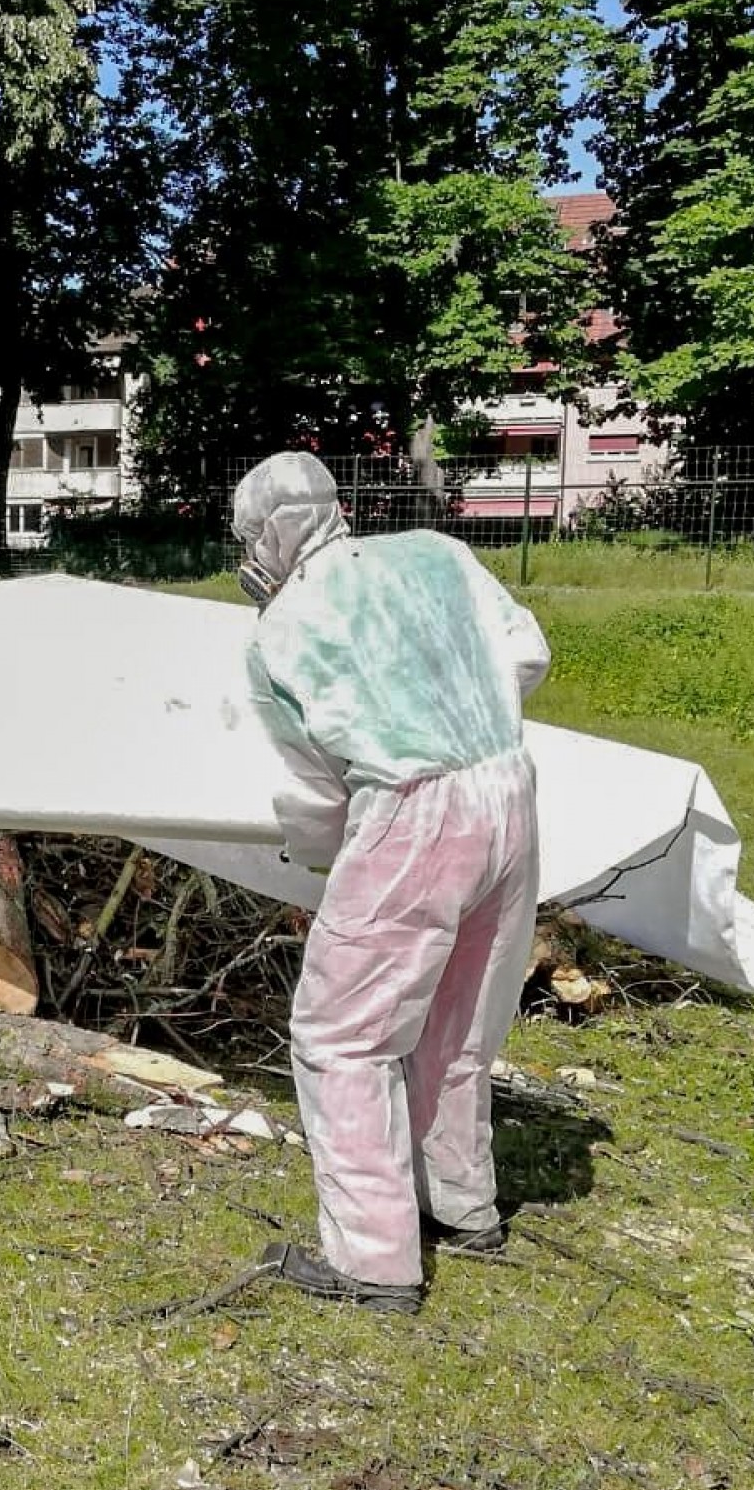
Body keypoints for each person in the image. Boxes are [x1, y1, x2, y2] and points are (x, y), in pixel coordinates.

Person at [232, 451, 551, 1313]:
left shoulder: (278, 632)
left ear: (260, 539)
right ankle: (463, 1204)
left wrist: (329, 859)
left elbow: (313, 792)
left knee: (342, 1036)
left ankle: (373, 1263)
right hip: (507, 786)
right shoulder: (437, 552)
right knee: (460, 1020)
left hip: (411, 815)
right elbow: (527, 653)